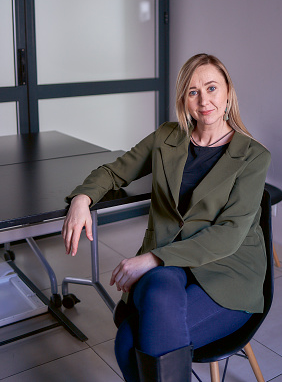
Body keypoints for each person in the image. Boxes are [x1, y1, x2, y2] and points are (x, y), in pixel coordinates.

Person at [62, 53, 271, 382]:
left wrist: (152, 258)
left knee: (128, 343)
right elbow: (114, 171)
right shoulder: (166, 138)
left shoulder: (253, 156)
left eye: (212, 88)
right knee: (156, 294)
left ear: (228, 92)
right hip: (170, 269)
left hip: (227, 276)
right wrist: (82, 199)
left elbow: (228, 235)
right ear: (184, 100)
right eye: (193, 92)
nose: (204, 100)